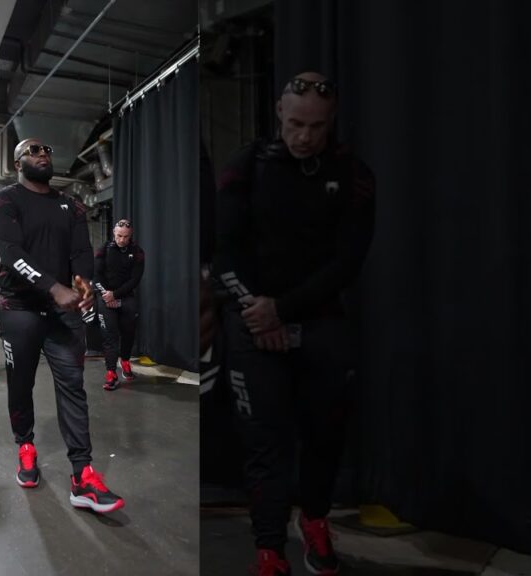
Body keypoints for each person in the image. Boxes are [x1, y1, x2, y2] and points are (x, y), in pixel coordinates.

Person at [215, 72, 375, 576]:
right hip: (251, 321)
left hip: (318, 320)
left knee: (325, 435)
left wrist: (282, 310)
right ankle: (268, 549)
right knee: (265, 443)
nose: (305, 136)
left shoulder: (353, 173)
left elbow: (349, 261)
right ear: (280, 114)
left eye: (317, 127)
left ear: (332, 124)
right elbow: (223, 249)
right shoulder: (248, 166)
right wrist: (258, 312)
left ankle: (316, 520)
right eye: (296, 124)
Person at [0, 138, 124, 513]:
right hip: (20, 309)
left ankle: (83, 474)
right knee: (21, 383)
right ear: (18, 163)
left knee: (74, 387)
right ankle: (26, 447)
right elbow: (12, 253)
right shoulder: (6, 201)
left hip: (64, 313)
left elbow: (82, 250)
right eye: (33, 151)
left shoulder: (72, 205)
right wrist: (53, 286)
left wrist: (82, 282)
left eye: (47, 149)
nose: (43, 154)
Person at [94, 218, 145, 390]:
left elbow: (135, 279)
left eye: (125, 237)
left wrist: (116, 295)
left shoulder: (137, 252)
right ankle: (111, 373)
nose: (121, 239)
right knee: (109, 335)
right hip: (105, 296)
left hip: (125, 297)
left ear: (130, 236)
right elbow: (96, 274)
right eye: (118, 236)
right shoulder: (104, 249)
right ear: (114, 233)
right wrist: (107, 295)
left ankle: (124, 361)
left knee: (129, 332)